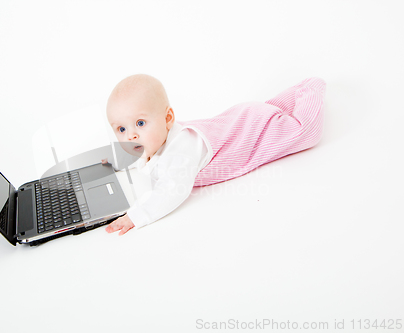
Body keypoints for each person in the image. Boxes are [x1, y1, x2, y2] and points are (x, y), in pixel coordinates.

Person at [104, 74, 326, 235]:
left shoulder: (181, 151)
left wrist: (137, 215)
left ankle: (309, 89)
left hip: (251, 132)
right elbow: (139, 153)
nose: (131, 136)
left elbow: (172, 190)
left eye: (140, 123)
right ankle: (291, 98)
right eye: (122, 129)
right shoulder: (152, 139)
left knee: (303, 132)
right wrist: (115, 163)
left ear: (168, 119)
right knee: (270, 109)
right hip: (241, 117)